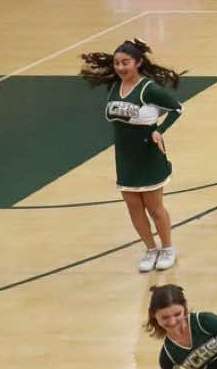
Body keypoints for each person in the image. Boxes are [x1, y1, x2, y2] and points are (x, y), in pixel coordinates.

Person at [79, 38, 185, 272]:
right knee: (133, 207)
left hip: (148, 154)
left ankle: (168, 248)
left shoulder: (149, 89)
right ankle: (151, 249)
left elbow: (177, 108)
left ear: (138, 63)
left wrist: (160, 130)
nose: (120, 67)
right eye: (117, 63)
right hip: (124, 156)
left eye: (125, 62)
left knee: (155, 207)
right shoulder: (114, 86)